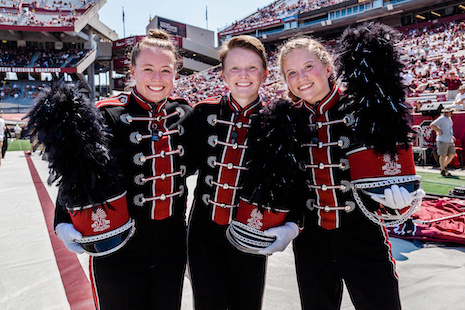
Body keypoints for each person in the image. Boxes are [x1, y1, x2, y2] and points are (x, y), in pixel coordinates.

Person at [277, 24, 424, 310]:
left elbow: (391, 165)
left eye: (309, 66)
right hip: (311, 245)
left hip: (363, 237)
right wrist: (290, 224)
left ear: (328, 66)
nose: (301, 78)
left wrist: (401, 203)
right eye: (291, 73)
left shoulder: (366, 107)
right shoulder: (287, 121)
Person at [54, 29, 192, 309]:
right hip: (117, 249)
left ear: (176, 74)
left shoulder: (186, 115)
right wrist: (63, 220)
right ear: (132, 71)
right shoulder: (105, 115)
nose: (157, 78)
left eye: (166, 70)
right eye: (148, 69)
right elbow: (78, 171)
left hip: (171, 249)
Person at [187, 35, 299, 310]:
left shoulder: (279, 120)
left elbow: (296, 180)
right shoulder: (202, 113)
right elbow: (177, 168)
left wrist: (293, 224)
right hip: (203, 238)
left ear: (264, 73)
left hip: (252, 236)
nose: (243, 75)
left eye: (252, 67)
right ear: (223, 74)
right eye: (234, 68)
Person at [430, 106, 456, 176]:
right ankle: (443, 169)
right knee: (443, 155)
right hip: (442, 139)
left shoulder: (449, 119)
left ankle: (443, 166)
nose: (447, 113)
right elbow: (432, 125)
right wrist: (438, 131)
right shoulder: (441, 118)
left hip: (449, 139)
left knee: (452, 154)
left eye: (448, 112)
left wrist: (452, 135)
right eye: (446, 112)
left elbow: (449, 128)